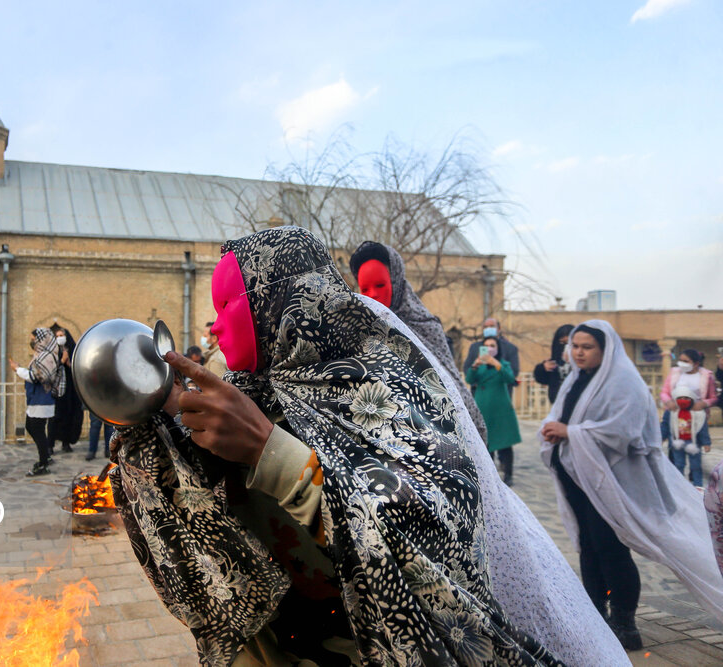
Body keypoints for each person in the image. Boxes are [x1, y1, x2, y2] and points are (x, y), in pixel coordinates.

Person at [110, 226, 628, 666]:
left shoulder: (385, 389)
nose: (218, 323)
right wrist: (149, 420)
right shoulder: (251, 390)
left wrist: (272, 454)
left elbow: (424, 537)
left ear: (282, 302)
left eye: (228, 303)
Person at [540, 321, 723, 651]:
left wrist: (570, 433)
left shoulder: (625, 383)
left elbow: (624, 432)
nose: (578, 352)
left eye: (587, 347)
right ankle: (596, 617)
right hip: (579, 477)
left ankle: (624, 622)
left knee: (610, 547)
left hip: (617, 481)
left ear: (605, 349)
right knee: (589, 547)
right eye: (575, 346)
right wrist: (554, 430)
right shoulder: (575, 379)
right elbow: (559, 415)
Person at [349, 241, 488, 442]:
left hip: (441, 435)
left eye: (380, 285)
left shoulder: (424, 325)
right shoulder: (359, 336)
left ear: (395, 282)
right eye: (365, 289)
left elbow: (450, 383)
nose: (374, 295)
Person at [465, 336, 520, 485]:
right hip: (483, 407)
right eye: (486, 346)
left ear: (498, 349)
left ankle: (508, 474)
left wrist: (497, 364)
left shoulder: (503, 364)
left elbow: (510, 379)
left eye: (492, 345)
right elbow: (470, 379)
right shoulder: (479, 366)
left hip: (500, 409)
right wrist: (475, 365)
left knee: (504, 443)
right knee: (486, 443)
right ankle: (490, 476)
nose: (489, 348)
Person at [11, 328, 65, 476]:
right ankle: (45, 456)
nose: (32, 341)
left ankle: (43, 462)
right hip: (37, 399)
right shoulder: (43, 355)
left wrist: (17, 369)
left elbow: (36, 377)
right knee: (33, 427)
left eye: (34, 338)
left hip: (42, 400)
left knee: (37, 430)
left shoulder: (46, 357)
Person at [659, 348, 716, 486]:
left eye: (686, 361)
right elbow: (664, 392)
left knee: (695, 459)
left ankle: (696, 485)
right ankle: (677, 486)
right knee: (676, 458)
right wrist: (669, 402)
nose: (682, 364)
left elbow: (713, 398)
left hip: (696, 418)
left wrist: (703, 403)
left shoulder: (706, 376)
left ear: (696, 363)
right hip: (674, 416)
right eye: (680, 360)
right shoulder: (674, 373)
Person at [49, 327, 83, 454]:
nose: (60, 337)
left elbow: (78, 367)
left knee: (69, 416)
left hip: (71, 391)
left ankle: (66, 442)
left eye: (62, 335)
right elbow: (50, 370)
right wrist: (61, 361)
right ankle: (50, 444)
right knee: (54, 418)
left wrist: (69, 364)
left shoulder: (73, 350)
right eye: (57, 336)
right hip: (57, 392)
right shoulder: (53, 352)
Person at [533, 324, 574, 404]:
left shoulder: (584, 364)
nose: (566, 347)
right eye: (562, 343)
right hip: (557, 403)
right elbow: (541, 379)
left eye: (569, 344)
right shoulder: (554, 362)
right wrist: (543, 368)